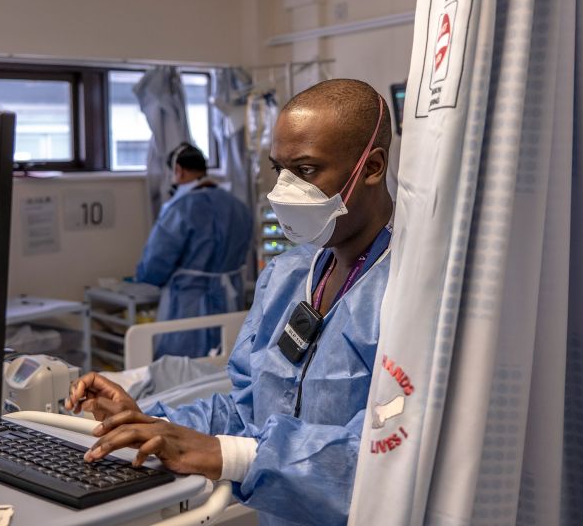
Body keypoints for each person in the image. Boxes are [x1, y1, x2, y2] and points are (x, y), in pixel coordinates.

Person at [70, 79, 395, 526]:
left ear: (372, 166)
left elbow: (387, 457)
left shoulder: (407, 295)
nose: (283, 191)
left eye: (305, 171)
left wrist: (229, 455)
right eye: (278, 169)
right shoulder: (287, 277)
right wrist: (148, 422)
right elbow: (248, 409)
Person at [136, 142, 253, 359]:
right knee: (224, 366)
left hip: (188, 305)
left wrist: (144, 276)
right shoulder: (238, 207)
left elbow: (154, 265)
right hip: (230, 301)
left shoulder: (180, 209)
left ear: (178, 170)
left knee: (181, 371)